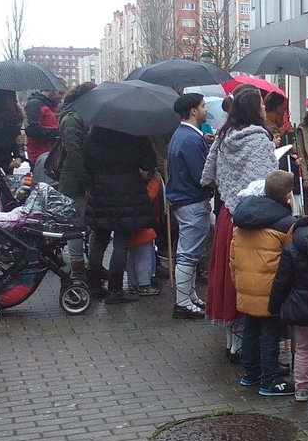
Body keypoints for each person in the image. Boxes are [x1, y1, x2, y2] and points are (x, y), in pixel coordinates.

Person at [201, 89, 280, 355]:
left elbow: (208, 175)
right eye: (260, 104)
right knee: (250, 279)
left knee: (229, 276)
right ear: (254, 109)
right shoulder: (260, 140)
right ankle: (248, 345)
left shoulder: (224, 136)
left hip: (227, 215)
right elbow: (267, 182)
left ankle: (231, 343)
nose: (263, 109)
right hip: (253, 217)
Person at [230, 171, 299, 397]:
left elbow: (232, 255)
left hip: (245, 283)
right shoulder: (285, 224)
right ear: (287, 196)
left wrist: (237, 279)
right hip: (270, 287)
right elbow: (290, 259)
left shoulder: (241, 218)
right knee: (271, 330)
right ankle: (270, 378)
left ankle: (251, 372)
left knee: (251, 327)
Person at [84, 126, 157, 305]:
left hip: (101, 190)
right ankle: (115, 290)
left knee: (100, 239)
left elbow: (86, 162)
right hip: (128, 191)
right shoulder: (135, 133)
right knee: (121, 242)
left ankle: (94, 285)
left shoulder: (95, 134)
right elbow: (149, 163)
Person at [166, 93, 213, 319]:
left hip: (183, 199)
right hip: (192, 200)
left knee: (190, 251)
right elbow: (202, 176)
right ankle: (183, 302)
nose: (205, 110)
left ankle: (189, 295)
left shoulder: (181, 135)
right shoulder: (192, 139)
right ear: (193, 111)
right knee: (188, 253)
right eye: (203, 106)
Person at [269, 205, 308, 403]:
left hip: (300, 307)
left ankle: (301, 388)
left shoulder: (291, 249)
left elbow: (281, 282)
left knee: (303, 349)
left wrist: (274, 306)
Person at [57, 83, 97, 283]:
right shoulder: (72, 118)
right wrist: (86, 182)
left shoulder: (81, 116)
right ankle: (78, 268)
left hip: (81, 179)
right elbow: (75, 153)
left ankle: (90, 266)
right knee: (76, 226)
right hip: (74, 182)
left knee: (87, 224)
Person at [24, 88, 63, 164]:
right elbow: (31, 130)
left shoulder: (49, 105)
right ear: (51, 90)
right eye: (60, 93)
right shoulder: (34, 104)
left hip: (49, 153)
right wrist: (58, 133)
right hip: (39, 155)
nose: (61, 96)